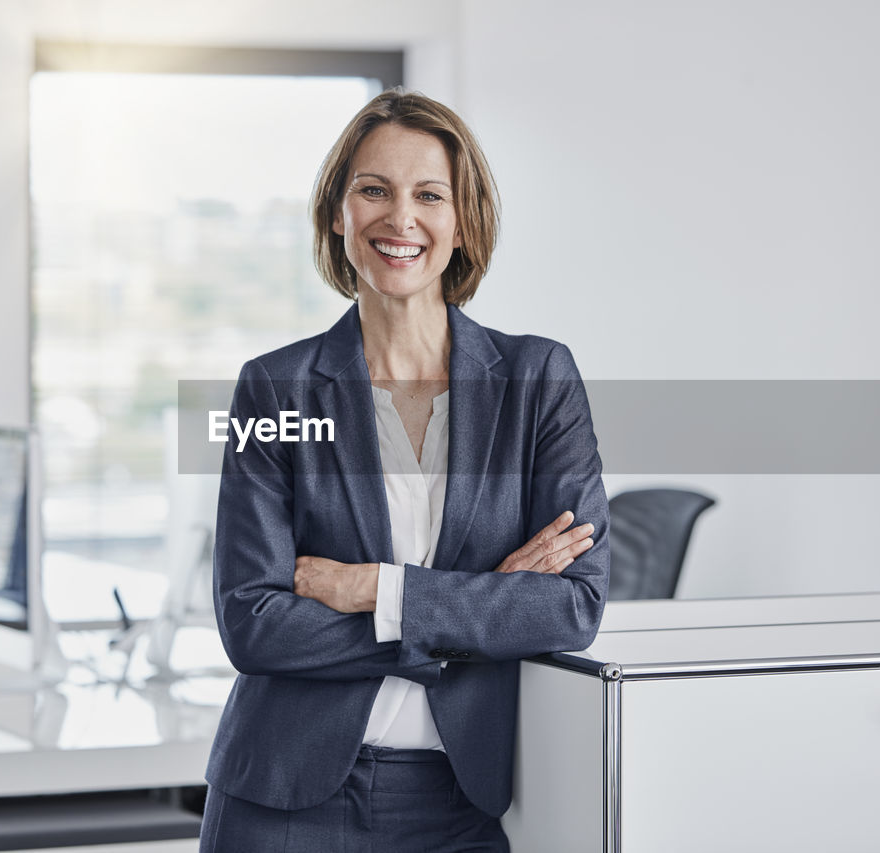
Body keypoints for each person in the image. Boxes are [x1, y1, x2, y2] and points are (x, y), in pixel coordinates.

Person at [201, 88, 609, 852]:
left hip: (459, 806)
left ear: (463, 221)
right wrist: (478, 608)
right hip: (282, 800)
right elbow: (253, 624)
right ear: (337, 213)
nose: (401, 218)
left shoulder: (537, 379)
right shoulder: (272, 387)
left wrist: (374, 589)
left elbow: (573, 606)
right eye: (373, 191)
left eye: (429, 194)